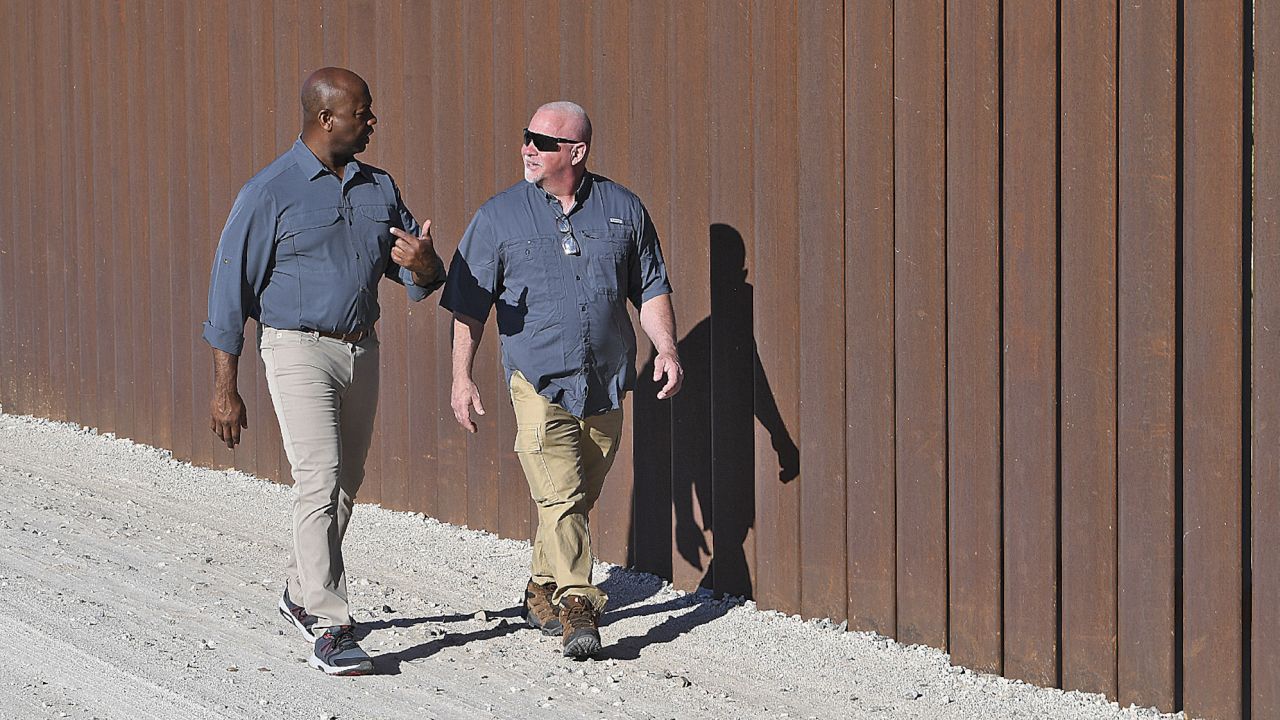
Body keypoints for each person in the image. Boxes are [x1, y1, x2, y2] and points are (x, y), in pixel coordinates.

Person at [201, 67, 444, 676]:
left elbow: (420, 275)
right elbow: (228, 293)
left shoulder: (378, 187)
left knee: (345, 484)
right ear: (326, 118)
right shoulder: (268, 192)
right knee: (320, 476)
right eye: (363, 112)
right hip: (296, 347)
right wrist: (226, 388)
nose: (373, 121)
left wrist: (425, 262)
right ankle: (331, 626)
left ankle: (299, 589)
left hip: (362, 349)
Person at [442, 101, 683, 658]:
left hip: (605, 379)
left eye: (543, 142)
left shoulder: (623, 209)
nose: (528, 148)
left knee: (574, 495)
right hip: (537, 379)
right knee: (561, 493)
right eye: (526, 136)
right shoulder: (498, 217)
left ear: (577, 152)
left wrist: (667, 348)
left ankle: (540, 586)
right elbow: (469, 307)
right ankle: (579, 602)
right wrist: (461, 377)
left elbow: (650, 287)